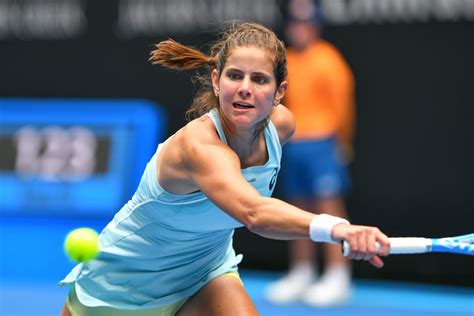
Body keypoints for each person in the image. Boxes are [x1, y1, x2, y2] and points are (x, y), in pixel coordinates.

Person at [59, 21, 389, 316]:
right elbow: (254, 213)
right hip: (120, 287)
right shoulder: (198, 146)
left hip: (204, 275)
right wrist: (337, 228)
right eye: (235, 75)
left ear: (279, 92)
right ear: (217, 81)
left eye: (259, 79)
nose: (245, 87)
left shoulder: (282, 126)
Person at [265, 0, 356, 307]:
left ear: (316, 25)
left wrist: (342, 142)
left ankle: (337, 273)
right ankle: (302, 272)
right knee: (298, 209)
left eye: (306, 23)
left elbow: (343, 107)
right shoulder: (286, 61)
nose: (301, 29)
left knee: (329, 208)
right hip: (295, 143)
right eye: (296, 24)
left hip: (323, 144)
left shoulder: (329, 59)